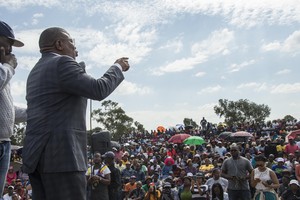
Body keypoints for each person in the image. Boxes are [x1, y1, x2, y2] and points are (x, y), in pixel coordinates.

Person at [21, 27, 130, 200]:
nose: (76, 50)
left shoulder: (35, 72)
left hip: (36, 157)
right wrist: (117, 67)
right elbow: (97, 89)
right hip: (62, 157)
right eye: (72, 42)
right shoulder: (61, 63)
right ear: (59, 44)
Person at [0, 20, 26, 198]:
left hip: (4, 142)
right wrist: (8, 67)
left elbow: (7, 111)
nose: (10, 50)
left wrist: (37, 111)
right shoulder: (4, 71)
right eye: (7, 44)